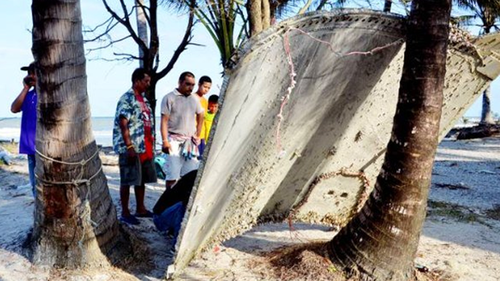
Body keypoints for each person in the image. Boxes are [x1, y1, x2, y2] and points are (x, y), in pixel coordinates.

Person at [112, 68, 156, 225]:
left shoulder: (143, 100)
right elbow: (123, 123)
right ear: (137, 80)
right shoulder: (127, 99)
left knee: (141, 179)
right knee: (127, 179)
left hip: (144, 146)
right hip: (131, 147)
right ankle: (125, 212)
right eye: (146, 81)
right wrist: (129, 146)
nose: (148, 84)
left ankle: (141, 208)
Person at [160, 72, 204, 189]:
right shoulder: (169, 98)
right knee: (172, 176)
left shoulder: (194, 99)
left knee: (190, 175)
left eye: (193, 85)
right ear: (180, 82)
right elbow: (164, 121)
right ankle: (168, 203)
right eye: (188, 84)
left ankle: (183, 204)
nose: (190, 87)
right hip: (173, 141)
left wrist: (198, 134)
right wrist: (165, 141)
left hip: (190, 141)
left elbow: (201, 114)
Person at [11, 62, 37, 197]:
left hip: (44, 149)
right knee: (35, 186)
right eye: (29, 73)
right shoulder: (28, 95)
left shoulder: (49, 97)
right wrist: (26, 88)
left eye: (33, 73)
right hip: (30, 148)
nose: (30, 76)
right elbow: (14, 108)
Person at [152, 169, 197, 246]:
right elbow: (186, 204)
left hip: (167, 214)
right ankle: (177, 243)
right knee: (185, 206)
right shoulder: (196, 178)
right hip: (161, 219)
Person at [194, 76, 212, 157]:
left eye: (208, 88)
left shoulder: (205, 101)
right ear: (199, 84)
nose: (206, 90)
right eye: (205, 87)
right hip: (192, 135)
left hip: (202, 136)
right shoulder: (192, 98)